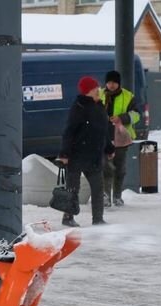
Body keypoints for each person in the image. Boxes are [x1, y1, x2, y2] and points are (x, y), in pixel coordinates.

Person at [57, 76, 114, 227]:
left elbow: (104, 131)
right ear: (89, 91)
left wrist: (109, 148)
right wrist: (64, 154)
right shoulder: (79, 107)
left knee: (98, 188)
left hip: (95, 155)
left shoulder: (100, 106)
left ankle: (98, 219)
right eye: (96, 88)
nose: (99, 90)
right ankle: (68, 217)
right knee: (73, 188)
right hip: (77, 155)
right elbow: (69, 131)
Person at [100, 70, 141, 207]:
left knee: (119, 168)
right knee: (106, 167)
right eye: (109, 82)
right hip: (103, 136)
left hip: (121, 137)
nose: (111, 85)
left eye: (114, 82)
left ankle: (117, 195)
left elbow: (136, 114)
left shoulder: (128, 96)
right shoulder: (100, 95)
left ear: (119, 83)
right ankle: (105, 195)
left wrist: (122, 118)